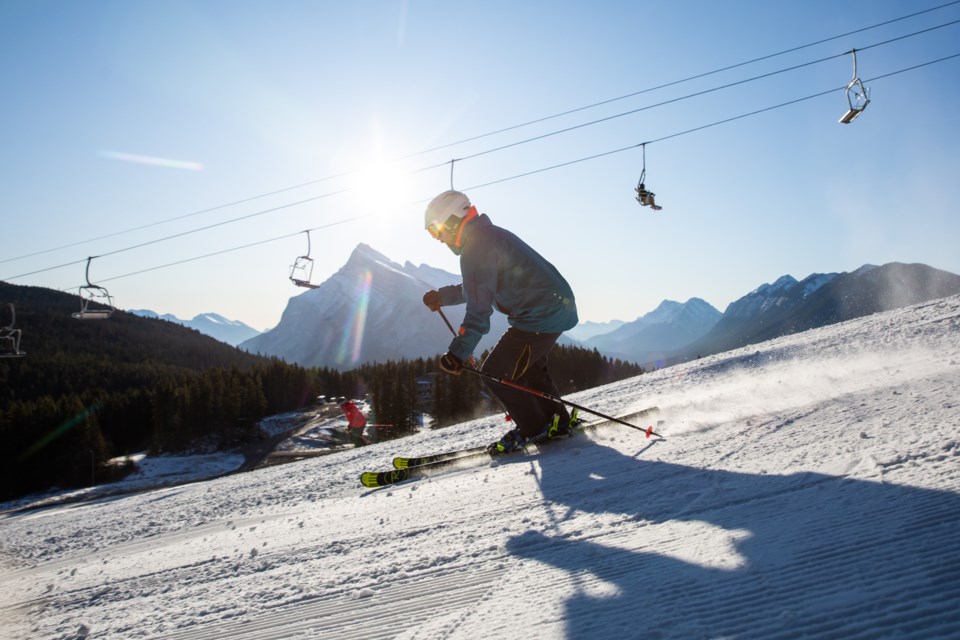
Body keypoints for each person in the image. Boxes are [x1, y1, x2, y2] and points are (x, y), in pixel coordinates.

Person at [421, 190, 579, 454]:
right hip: (555, 306)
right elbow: (479, 286)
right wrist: (443, 297)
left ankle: (533, 428)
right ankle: (557, 420)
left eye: (436, 231)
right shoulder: (485, 237)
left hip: (540, 313)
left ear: (451, 221)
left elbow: (479, 310)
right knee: (527, 369)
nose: (438, 239)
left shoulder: (476, 247)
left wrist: (459, 352)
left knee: (496, 372)